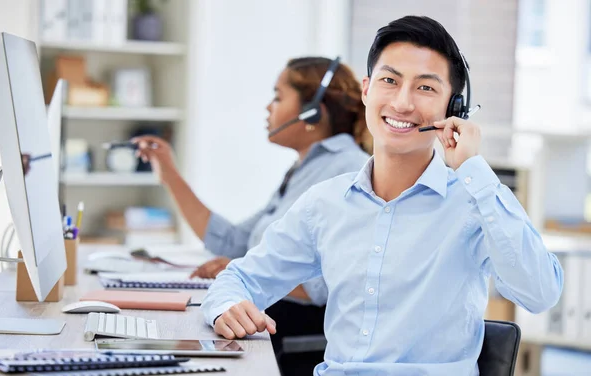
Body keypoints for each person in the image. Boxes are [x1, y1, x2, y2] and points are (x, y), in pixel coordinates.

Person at [201, 15, 564, 375]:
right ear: (366, 90)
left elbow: (540, 292)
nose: (402, 103)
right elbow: (239, 279)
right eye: (389, 81)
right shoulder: (325, 203)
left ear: (453, 108)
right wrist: (227, 307)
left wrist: (473, 170)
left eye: (425, 88)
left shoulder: (473, 203)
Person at [134, 57, 371, 373]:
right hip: (262, 319)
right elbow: (235, 241)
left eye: (278, 96)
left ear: (313, 111)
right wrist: (169, 175)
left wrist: (241, 272)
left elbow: (323, 286)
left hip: (287, 331)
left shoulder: (346, 170)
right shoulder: (306, 168)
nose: (268, 108)